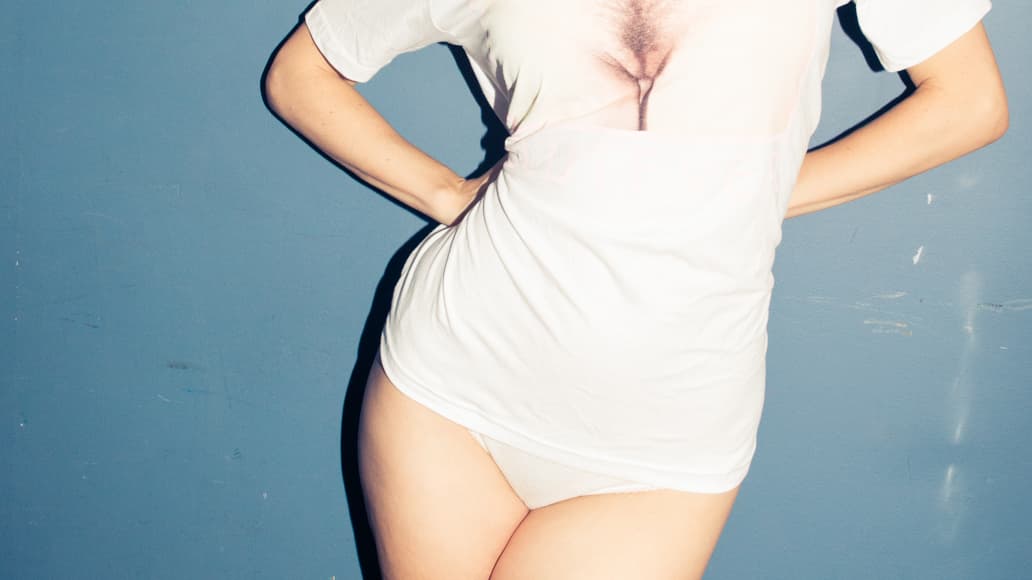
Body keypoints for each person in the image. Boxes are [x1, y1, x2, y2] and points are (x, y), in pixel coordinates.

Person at [264, 1, 1008, 577]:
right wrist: (446, 194)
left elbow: (968, 102)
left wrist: (754, 195)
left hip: (662, 441)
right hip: (455, 385)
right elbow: (301, 74)